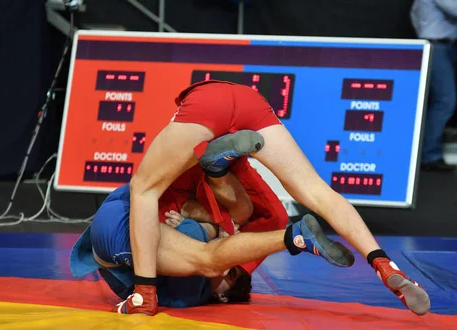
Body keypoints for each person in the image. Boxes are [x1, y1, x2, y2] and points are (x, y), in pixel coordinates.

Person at [124, 82, 431, 317]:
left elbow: (151, 198)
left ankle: (143, 294)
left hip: (205, 106)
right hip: (252, 102)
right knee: (316, 191)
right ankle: (383, 262)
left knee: (142, 188)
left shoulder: (192, 112)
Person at [70, 159, 353, 309]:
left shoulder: (191, 293)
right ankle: (221, 170)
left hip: (115, 229)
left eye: (230, 275)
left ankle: (291, 235)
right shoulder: (187, 280)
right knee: (235, 223)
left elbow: (196, 242)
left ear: (223, 297)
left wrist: (205, 230)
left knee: (209, 256)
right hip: (125, 209)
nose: (229, 266)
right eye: (234, 269)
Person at [411, 0, 457, 171]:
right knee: (445, 100)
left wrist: (422, 30)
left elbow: (413, 13)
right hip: (436, 45)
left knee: (437, 100)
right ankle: (429, 154)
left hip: (439, 43)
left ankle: (426, 153)